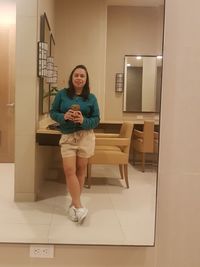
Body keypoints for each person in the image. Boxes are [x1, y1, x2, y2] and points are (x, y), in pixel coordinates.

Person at [50, 65, 100, 224]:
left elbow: (97, 119)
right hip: (68, 137)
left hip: (85, 137)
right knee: (69, 170)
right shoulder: (62, 94)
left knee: (80, 169)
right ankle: (79, 206)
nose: (79, 78)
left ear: (86, 80)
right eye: (76, 75)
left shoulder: (91, 98)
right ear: (72, 77)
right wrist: (63, 116)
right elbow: (53, 112)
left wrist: (84, 120)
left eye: (82, 76)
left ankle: (73, 204)